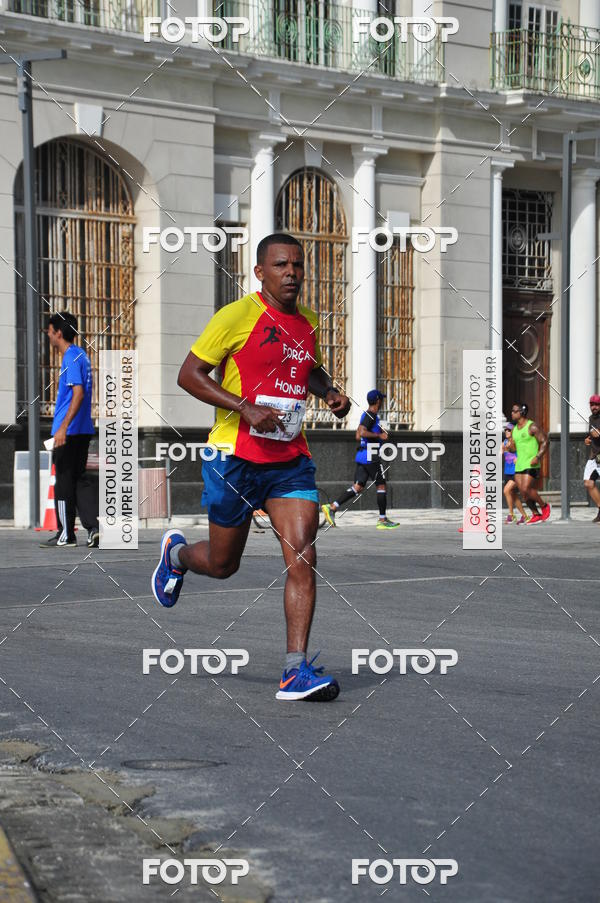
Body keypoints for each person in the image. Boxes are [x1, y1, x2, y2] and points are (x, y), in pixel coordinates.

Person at [151, 233, 350, 701]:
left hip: (289, 461)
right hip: (234, 457)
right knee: (223, 565)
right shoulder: (236, 316)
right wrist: (245, 407)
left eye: (298, 265)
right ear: (260, 272)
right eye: (281, 265)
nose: (292, 273)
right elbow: (189, 375)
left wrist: (328, 392)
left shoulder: (308, 322)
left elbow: (308, 367)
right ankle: (177, 556)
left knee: (303, 554)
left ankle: (294, 671)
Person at [40, 312, 99, 548]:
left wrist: (63, 428)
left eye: (49, 330)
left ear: (58, 333)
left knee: (64, 480)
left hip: (71, 431)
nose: (48, 334)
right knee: (79, 479)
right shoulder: (82, 356)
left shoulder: (71, 357)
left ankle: (65, 534)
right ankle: (93, 528)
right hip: (83, 429)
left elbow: (78, 393)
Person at [321, 389, 399, 529]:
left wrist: (376, 433)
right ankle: (382, 520)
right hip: (370, 456)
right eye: (382, 399)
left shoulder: (366, 415)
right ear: (378, 401)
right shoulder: (371, 415)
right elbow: (362, 432)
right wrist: (379, 436)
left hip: (363, 455)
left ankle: (332, 507)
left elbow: (358, 435)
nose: (383, 402)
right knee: (381, 486)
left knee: (358, 487)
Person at [508, 402, 551, 524]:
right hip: (520, 464)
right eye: (512, 411)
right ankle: (536, 514)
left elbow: (545, 441)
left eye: (514, 411)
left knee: (526, 488)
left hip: (531, 463)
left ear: (521, 412)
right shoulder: (515, 430)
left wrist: (538, 457)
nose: (512, 413)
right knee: (522, 492)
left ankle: (544, 506)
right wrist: (510, 447)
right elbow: (515, 448)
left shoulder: (532, 426)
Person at [503, 423, 529, 524]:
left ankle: (511, 515)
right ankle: (525, 516)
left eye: (509, 430)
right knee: (513, 495)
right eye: (506, 430)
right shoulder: (504, 442)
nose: (506, 432)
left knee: (506, 491)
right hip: (507, 472)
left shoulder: (517, 442)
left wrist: (519, 458)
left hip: (516, 472)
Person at [583, 394, 600, 523]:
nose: (594, 407)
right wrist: (588, 439)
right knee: (588, 483)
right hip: (594, 457)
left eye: (597, 405)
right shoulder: (590, 418)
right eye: (592, 404)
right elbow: (591, 435)